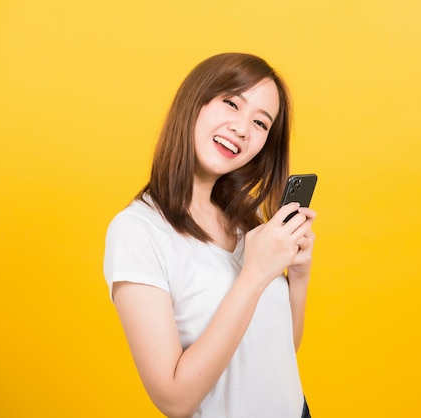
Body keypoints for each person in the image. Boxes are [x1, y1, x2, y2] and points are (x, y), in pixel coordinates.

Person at [103, 52, 316, 418]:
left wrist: (298, 276)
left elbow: (280, 349)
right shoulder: (138, 232)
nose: (242, 129)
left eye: (261, 123)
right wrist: (254, 275)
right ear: (194, 102)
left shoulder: (246, 222)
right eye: (231, 103)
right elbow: (174, 400)